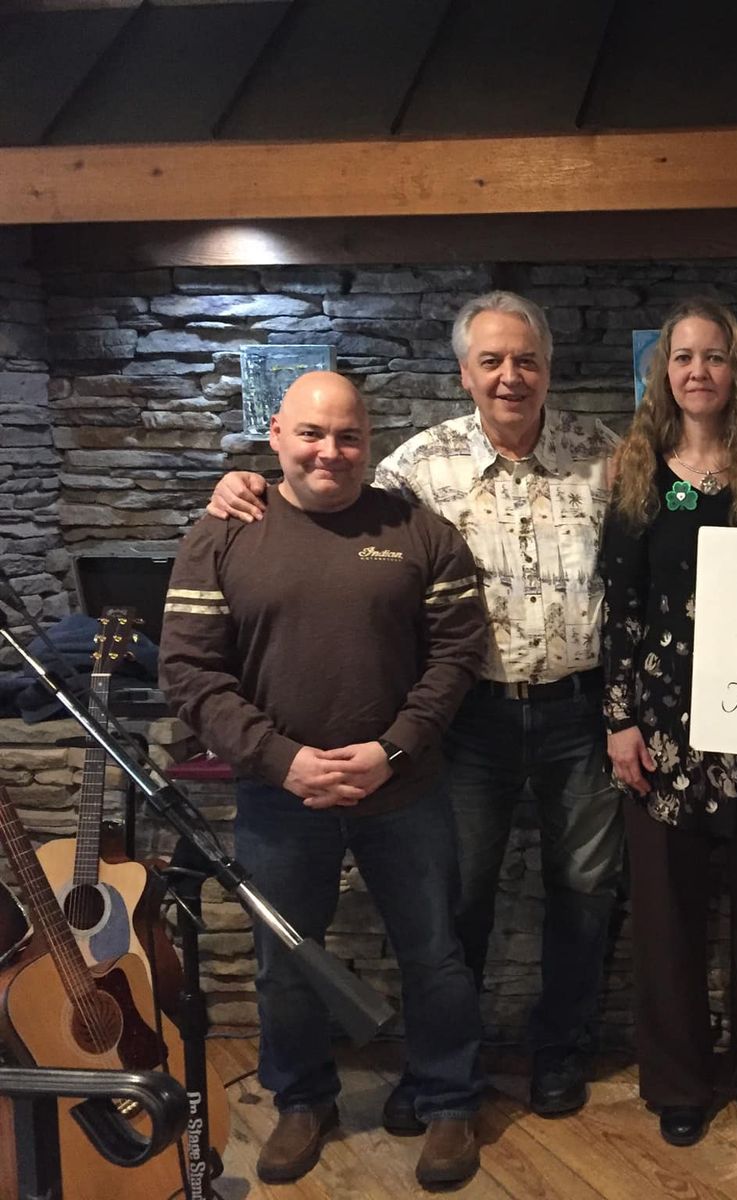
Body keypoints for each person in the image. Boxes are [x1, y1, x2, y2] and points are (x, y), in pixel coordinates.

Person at [205, 292, 624, 1124]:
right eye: (492, 361)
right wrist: (242, 483)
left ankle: (560, 1051)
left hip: (583, 714)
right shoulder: (416, 469)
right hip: (467, 721)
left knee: (585, 890)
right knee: (452, 903)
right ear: (465, 372)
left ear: (548, 368)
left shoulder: (606, 455)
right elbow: (323, 501)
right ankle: (443, 1075)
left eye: (527, 359)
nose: (510, 376)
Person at [161, 372, 486, 1188]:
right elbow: (189, 672)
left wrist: (393, 750)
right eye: (311, 433)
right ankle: (303, 1100)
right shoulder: (223, 533)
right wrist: (283, 760)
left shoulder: (420, 532)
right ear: (277, 435)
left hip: (404, 789)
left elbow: (457, 657)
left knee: (436, 954)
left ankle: (449, 1100)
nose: (329, 452)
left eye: (347, 436)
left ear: (368, 441)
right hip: (280, 796)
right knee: (285, 963)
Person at [600, 299, 737, 1147]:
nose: (698, 371)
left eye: (714, 356)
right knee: (666, 915)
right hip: (661, 728)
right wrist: (619, 721)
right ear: (664, 372)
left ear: (736, 369)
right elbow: (619, 606)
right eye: (682, 357)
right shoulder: (638, 473)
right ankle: (679, 1081)